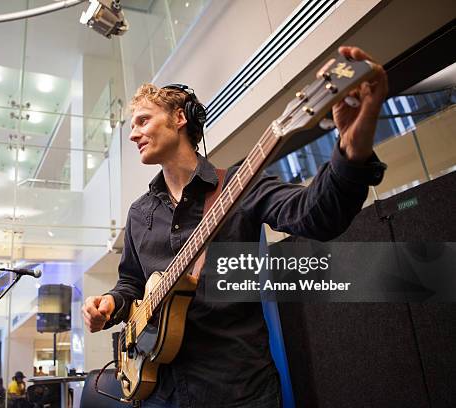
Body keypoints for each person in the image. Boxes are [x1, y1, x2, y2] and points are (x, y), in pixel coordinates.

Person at [82, 46, 388, 408]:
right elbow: (132, 282)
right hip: (159, 394)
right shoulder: (139, 212)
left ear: (180, 118)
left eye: (143, 121)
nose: (133, 134)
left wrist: (350, 150)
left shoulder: (242, 184)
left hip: (236, 391)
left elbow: (317, 215)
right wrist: (109, 304)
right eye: (133, 125)